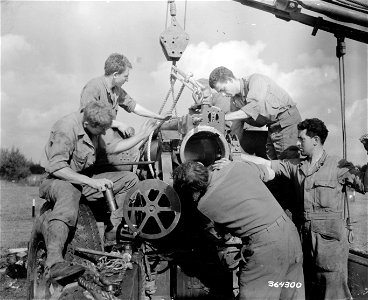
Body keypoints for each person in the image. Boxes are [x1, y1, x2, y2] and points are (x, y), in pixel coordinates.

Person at [240, 118, 368, 300]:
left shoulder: (338, 166)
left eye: (302, 139)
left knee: (334, 294)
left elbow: (364, 184)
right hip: (302, 243)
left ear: (315, 140)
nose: (298, 143)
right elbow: (267, 164)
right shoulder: (296, 166)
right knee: (307, 292)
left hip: (329, 247)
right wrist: (237, 156)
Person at [39, 101, 157, 282]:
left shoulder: (94, 126)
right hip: (57, 180)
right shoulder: (66, 128)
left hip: (82, 180)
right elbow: (56, 167)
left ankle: (113, 234)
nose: (104, 134)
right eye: (101, 130)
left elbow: (109, 149)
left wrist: (141, 136)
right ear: (88, 124)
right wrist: (90, 182)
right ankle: (53, 262)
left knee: (129, 180)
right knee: (69, 194)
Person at [172, 160, 305, 300]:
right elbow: (271, 173)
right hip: (289, 232)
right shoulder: (237, 166)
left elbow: (221, 237)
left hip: (266, 248)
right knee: (290, 293)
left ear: (194, 190)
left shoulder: (204, 207)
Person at [80, 53, 170, 170]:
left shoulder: (116, 90)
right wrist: (119, 124)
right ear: (115, 75)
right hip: (92, 142)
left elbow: (134, 106)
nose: (127, 80)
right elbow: (88, 117)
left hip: (106, 139)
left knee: (134, 152)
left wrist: (158, 116)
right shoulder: (93, 87)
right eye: (125, 76)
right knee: (130, 157)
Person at [208, 66, 302, 160]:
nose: (223, 94)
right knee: (271, 160)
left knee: (286, 162)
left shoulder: (256, 80)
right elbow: (236, 123)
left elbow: (253, 109)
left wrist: (222, 117)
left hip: (286, 123)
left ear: (230, 80)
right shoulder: (235, 99)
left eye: (223, 89)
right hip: (272, 126)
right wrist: (229, 146)